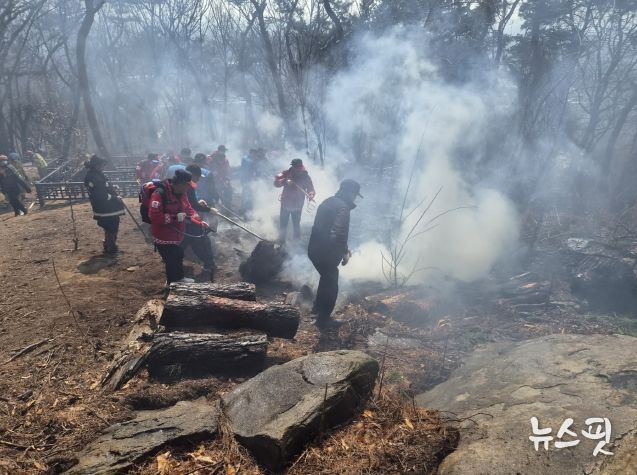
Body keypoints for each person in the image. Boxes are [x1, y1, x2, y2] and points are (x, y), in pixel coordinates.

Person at [307, 179, 362, 327]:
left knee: (326, 277)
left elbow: (326, 229)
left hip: (314, 250)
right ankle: (323, 320)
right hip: (326, 253)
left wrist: (345, 247)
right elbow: (337, 234)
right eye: (355, 194)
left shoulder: (328, 201)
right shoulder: (343, 208)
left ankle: (316, 309)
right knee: (331, 283)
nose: (355, 198)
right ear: (350, 193)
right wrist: (344, 253)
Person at [149, 169, 209, 284]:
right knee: (171, 260)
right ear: (181, 184)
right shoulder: (159, 194)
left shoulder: (182, 193)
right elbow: (154, 217)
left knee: (178, 255)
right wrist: (175, 217)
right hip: (163, 235)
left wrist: (200, 221)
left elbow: (188, 208)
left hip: (176, 234)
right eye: (187, 186)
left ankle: (177, 279)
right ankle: (172, 282)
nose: (189, 188)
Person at [83, 155, 125, 254]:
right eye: (102, 165)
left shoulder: (95, 174)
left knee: (111, 224)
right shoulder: (94, 176)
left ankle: (108, 244)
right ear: (96, 165)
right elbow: (100, 194)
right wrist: (115, 198)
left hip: (104, 206)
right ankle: (111, 246)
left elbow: (103, 186)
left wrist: (111, 187)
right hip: (105, 206)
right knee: (111, 225)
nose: (104, 166)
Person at [184, 164, 219, 280]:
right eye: (197, 177)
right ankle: (209, 264)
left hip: (187, 219)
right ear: (192, 175)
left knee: (191, 242)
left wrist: (198, 202)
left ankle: (209, 264)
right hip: (185, 219)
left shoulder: (187, 184)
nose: (198, 179)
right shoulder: (186, 186)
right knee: (199, 241)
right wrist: (209, 209)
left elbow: (191, 202)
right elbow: (192, 205)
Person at [274, 158, 315, 240]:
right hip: (285, 203)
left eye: (296, 167)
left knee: (296, 223)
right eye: (293, 166)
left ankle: (296, 241)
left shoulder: (306, 177)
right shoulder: (286, 173)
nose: (295, 168)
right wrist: (284, 181)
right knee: (283, 223)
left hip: (298, 204)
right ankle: (281, 240)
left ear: (300, 166)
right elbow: (276, 181)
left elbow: (311, 189)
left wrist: (311, 194)